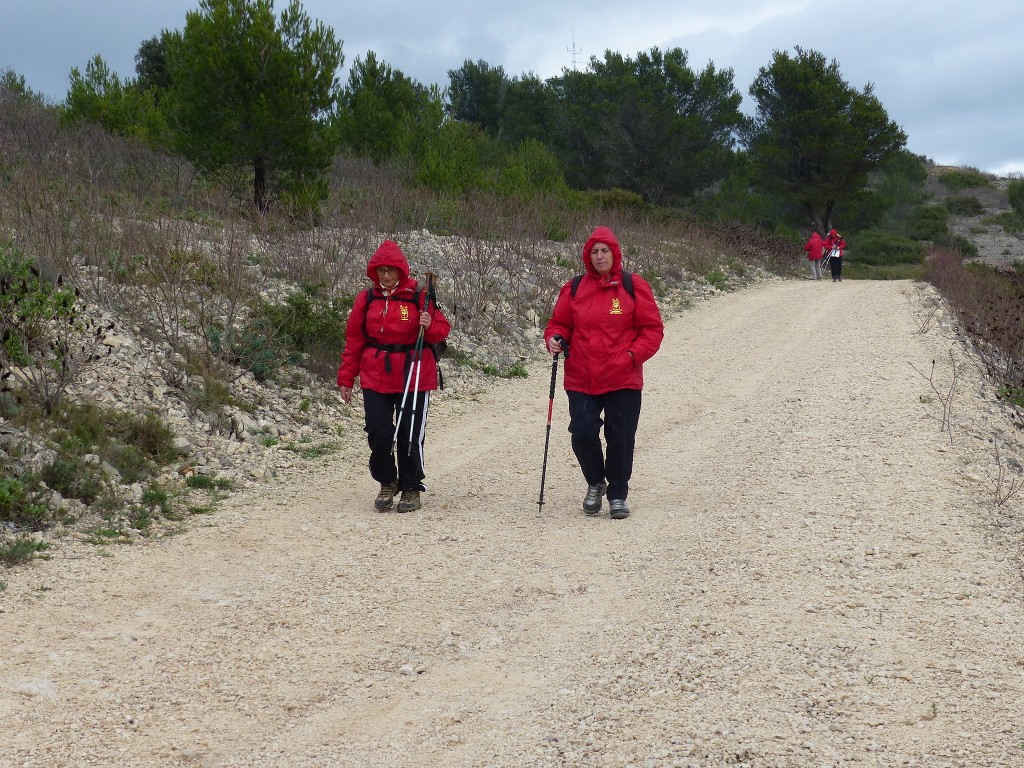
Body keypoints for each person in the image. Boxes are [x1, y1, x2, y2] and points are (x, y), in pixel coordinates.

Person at [543, 226, 665, 520]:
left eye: (604, 251)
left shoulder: (632, 285)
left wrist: (632, 356)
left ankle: (618, 493)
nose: (599, 256)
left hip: (623, 375)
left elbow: (652, 330)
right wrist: (555, 338)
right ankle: (595, 482)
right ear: (588, 256)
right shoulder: (574, 287)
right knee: (582, 432)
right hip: (581, 374)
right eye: (594, 252)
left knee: (621, 436)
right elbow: (559, 323)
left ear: (615, 254)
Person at [337, 240, 451, 513]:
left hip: (413, 372)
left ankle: (411, 486)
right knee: (378, 433)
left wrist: (429, 324)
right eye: (380, 270)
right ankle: (387, 481)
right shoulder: (366, 299)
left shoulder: (419, 295)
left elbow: (441, 329)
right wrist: (346, 377)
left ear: (401, 270)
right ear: (373, 272)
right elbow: (354, 340)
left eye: (391, 270)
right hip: (376, 373)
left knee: (409, 434)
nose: (386, 275)